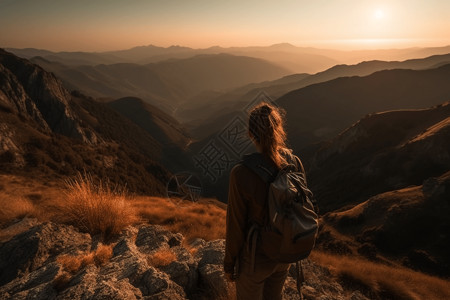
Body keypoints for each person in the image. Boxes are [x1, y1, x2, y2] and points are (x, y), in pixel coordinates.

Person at [224, 102, 305, 300]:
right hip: (284, 251)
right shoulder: (294, 162)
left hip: (255, 259)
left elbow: (235, 225)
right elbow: (301, 206)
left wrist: (229, 264)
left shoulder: (241, 173)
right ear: (278, 130)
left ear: (251, 133)